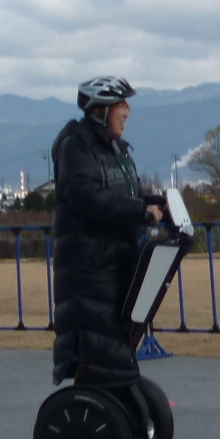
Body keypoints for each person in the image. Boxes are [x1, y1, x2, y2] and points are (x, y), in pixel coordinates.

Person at [50, 75, 165, 389]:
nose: (127, 112)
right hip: (90, 272)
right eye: (121, 105)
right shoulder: (76, 147)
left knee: (116, 355)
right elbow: (89, 198)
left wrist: (159, 204)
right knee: (101, 359)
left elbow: (128, 194)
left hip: (116, 266)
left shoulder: (115, 149)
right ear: (100, 110)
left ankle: (120, 410)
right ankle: (93, 412)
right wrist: (140, 211)